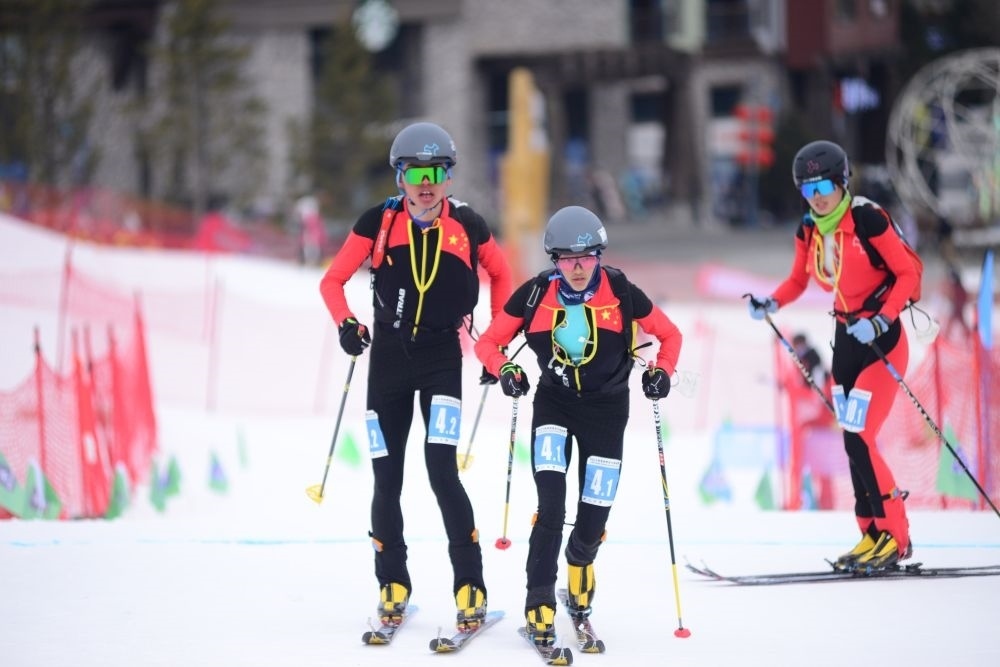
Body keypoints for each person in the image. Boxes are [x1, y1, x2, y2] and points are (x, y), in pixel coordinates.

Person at [319, 121, 513, 630]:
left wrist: (496, 335)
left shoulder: (468, 225)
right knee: (387, 477)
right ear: (399, 177)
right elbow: (332, 281)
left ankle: (470, 586)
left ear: (448, 177)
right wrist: (346, 324)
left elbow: (502, 273)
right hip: (388, 361)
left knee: (442, 471)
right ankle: (392, 583)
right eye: (415, 173)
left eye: (436, 173)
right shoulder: (379, 222)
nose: (426, 184)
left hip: (442, 359)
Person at [474, 205, 683, 646]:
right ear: (555, 260)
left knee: (592, 520)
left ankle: (579, 565)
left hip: (607, 412)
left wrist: (662, 372)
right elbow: (489, 343)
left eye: (586, 257)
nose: (577, 267)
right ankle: (539, 603)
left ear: (599, 256)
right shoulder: (535, 295)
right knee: (551, 507)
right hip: (554, 405)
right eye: (567, 259)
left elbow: (671, 336)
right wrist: (504, 370)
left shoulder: (621, 292)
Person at [747, 139, 919, 571]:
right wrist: (772, 302)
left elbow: (907, 273)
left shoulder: (866, 219)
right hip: (845, 341)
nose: (818, 197)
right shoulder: (809, 229)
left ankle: (895, 536)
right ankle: (871, 534)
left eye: (824, 186)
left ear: (842, 182)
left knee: (862, 435)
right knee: (851, 440)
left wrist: (882, 319)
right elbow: (798, 281)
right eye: (808, 189)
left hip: (881, 339)